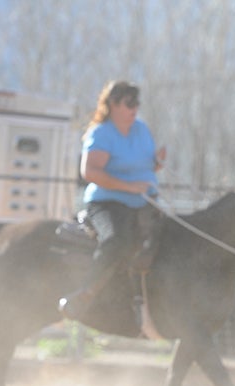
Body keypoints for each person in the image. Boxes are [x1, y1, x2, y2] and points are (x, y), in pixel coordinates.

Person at [58, 80, 166, 322]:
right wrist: (129, 186)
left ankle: (151, 301)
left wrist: (156, 163)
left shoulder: (141, 130)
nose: (134, 108)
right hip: (107, 203)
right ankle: (86, 294)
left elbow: (144, 164)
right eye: (129, 103)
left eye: (136, 103)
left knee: (169, 240)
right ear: (113, 104)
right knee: (117, 240)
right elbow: (91, 172)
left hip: (144, 201)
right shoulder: (102, 133)